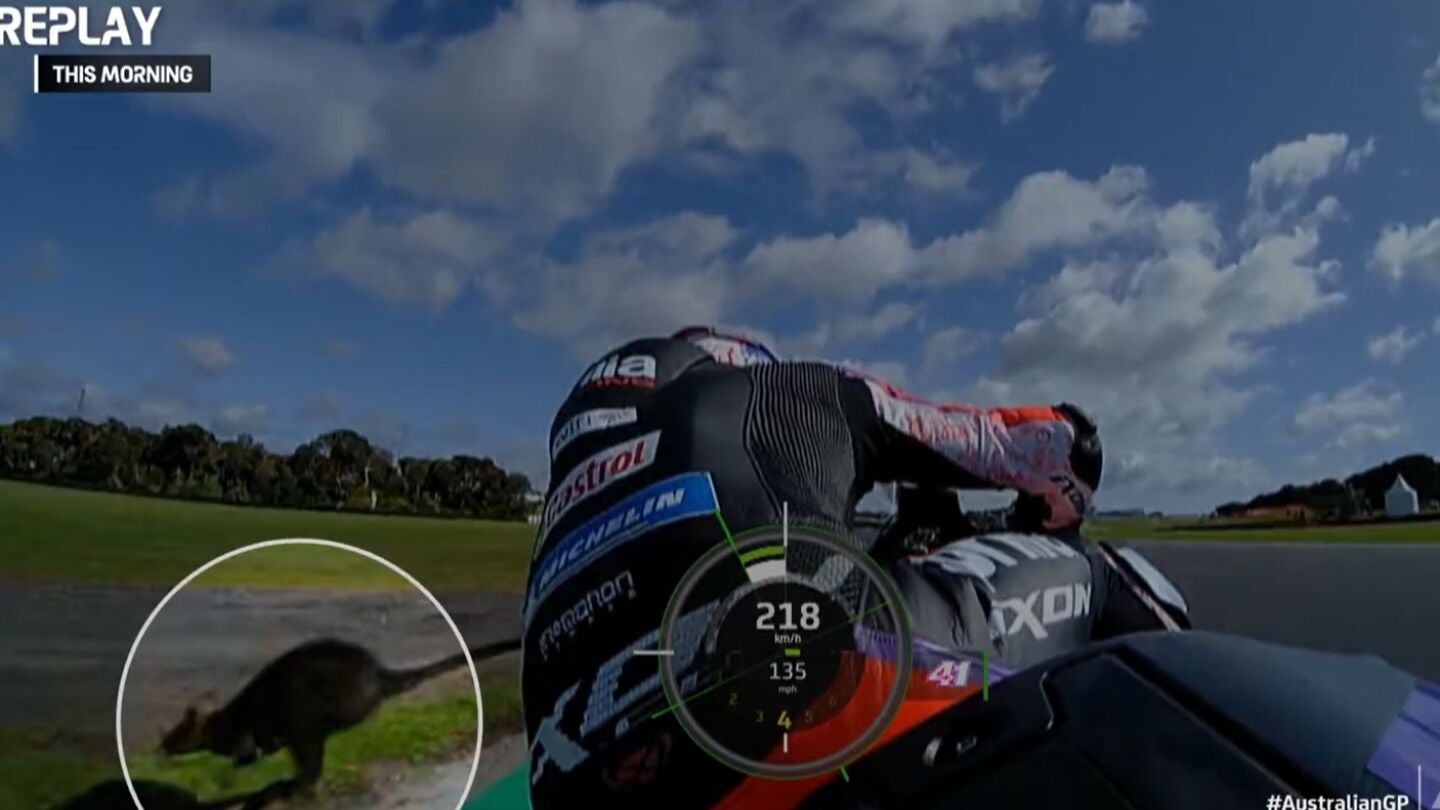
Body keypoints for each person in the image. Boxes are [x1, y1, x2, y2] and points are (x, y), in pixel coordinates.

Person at [522, 326, 1186, 809]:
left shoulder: (559, 519)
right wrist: (1061, 495)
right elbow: (1019, 445)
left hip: (578, 784)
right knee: (1100, 567)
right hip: (810, 692)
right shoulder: (783, 386)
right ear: (734, 358)